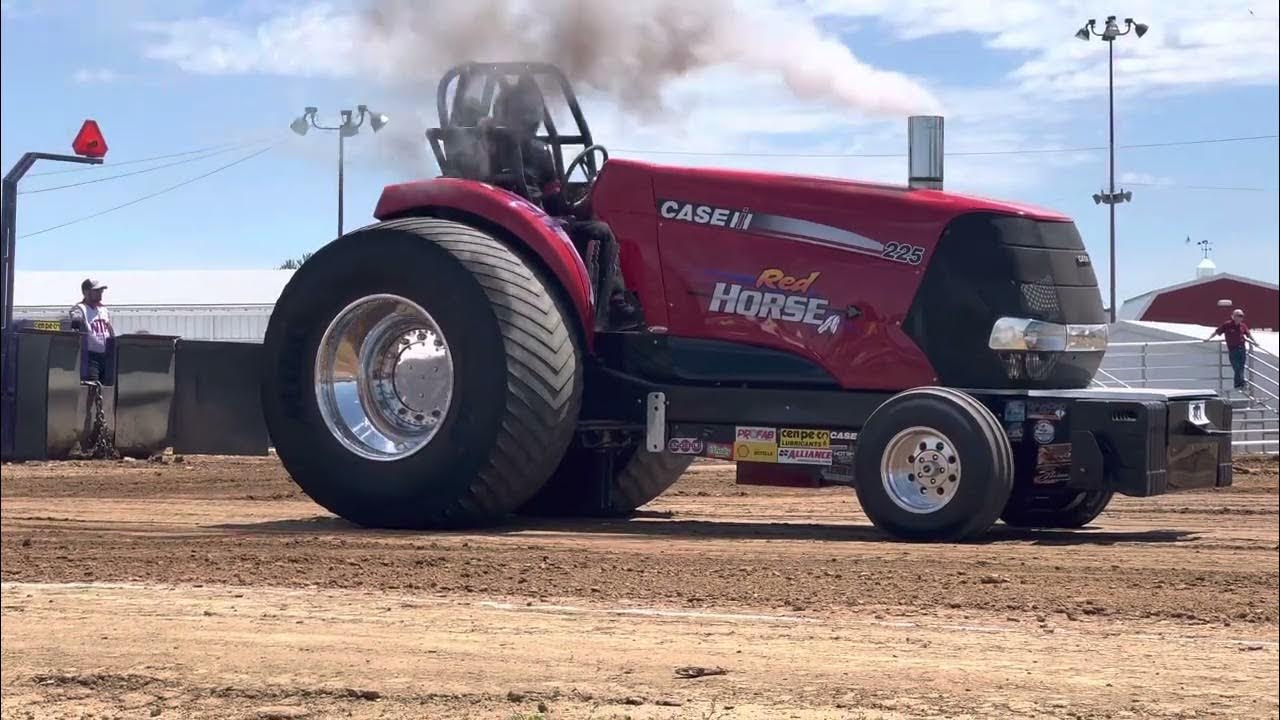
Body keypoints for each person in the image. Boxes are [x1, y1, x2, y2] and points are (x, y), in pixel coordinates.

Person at [69, 278, 115, 383]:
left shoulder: (103, 310)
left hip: (106, 355)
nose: (100, 293)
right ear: (86, 292)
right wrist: (77, 319)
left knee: (108, 387)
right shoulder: (80, 308)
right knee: (93, 387)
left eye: (101, 291)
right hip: (91, 357)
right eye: (96, 291)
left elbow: (109, 329)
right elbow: (75, 316)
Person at [1207, 308, 1259, 390]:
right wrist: (1208, 338)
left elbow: (1249, 335)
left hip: (1242, 349)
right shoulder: (1227, 325)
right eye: (1239, 316)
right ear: (1233, 316)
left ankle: (1238, 385)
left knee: (1241, 367)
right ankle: (1241, 384)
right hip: (1233, 350)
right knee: (1236, 367)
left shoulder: (1243, 326)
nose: (1241, 318)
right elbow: (1217, 332)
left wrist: (1255, 342)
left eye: (1242, 316)